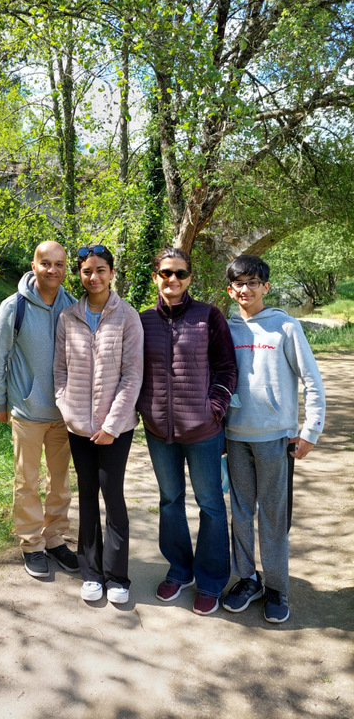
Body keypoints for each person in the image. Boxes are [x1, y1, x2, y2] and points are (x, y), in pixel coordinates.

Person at [222, 255, 325, 623]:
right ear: (230, 290)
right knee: (241, 512)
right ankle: (248, 579)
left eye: (253, 282)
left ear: (266, 286)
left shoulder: (286, 327)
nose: (245, 289)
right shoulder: (226, 328)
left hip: (275, 440)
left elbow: (312, 381)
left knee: (273, 516)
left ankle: (278, 587)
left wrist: (310, 431)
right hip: (235, 438)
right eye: (238, 283)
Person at [137, 247, 237, 616]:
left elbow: (227, 369)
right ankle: (179, 570)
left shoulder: (208, 316)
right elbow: (132, 371)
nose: (173, 280)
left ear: (190, 278)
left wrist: (214, 410)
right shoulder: (143, 320)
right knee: (169, 500)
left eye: (180, 273)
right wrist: (142, 409)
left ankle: (211, 580)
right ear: (156, 277)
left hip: (203, 430)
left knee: (210, 504)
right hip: (158, 430)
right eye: (166, 273)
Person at [53, 244, 143, 604]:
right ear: (80, 274)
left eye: (101, 270)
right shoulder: (68, 318)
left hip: (116, 429)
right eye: (87, 271)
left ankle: (117, 576)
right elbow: (60, 372)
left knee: (113, 496)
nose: (94, 277)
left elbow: (133, 375)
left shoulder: (128, 317)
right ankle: (90, 572)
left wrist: (112, 424)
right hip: (78, 428)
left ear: (112, 273)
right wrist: (69, 412)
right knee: (87, 496)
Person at [0, 240, 79, 578]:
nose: (53, 270)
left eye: (59, 264)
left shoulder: (72, 305)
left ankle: (55, 540)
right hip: (26, 412)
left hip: (63, 415)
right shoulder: (14, 307)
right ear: (34, 265)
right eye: (46, 263)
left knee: (60, 482)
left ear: (65, 267)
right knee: (26, 482)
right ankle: (31, 544)